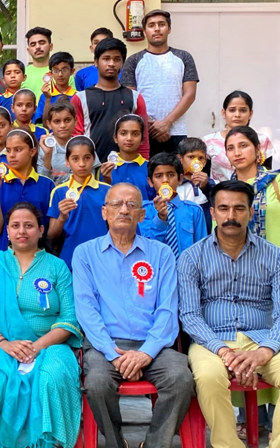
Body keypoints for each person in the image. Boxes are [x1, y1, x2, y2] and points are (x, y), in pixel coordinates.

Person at [179, 180, 280, 448]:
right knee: (208, 377)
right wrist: (222, 350)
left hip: (262, 339)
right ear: (213, 212)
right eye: (224, 208)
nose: (231, 216)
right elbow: (190, 315)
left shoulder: (275, 257)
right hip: (211, 342)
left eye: (239, 208)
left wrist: (265, 351)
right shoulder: (191, 258)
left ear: (250, 212)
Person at [72, 183, 194, 448]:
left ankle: (154, 444)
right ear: (104, 212)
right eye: (116, 204)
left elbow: (167, 309)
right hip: (105, 345)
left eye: (131, 205)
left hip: (154, 346)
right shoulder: (85, 254)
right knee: (97, 383)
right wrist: (113, 354)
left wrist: (146, 353)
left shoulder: (161, 253)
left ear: (142, 214)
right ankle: (116, 443)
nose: (124, 210)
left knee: (181, 378)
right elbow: (86, 309)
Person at [0, 202, 82, 447]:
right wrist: (4, 344)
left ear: (41, 230)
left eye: (29, 225)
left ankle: (47, 443)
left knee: (50, 378)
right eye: (15, 226)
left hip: (51, 346)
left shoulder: (57, 266)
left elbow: (69, 318)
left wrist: (37, 346)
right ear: (7, 231)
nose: (22, 231)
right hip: (5, 346)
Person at [226, 126, 280, 358]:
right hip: (242, 278)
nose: (237, 152)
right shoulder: (226, 191)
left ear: (257, 149)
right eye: (231, 148)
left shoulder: (279, 181)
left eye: (243, 146)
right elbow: (219, 235)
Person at [122, 10, 198, 157]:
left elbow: (190, 94)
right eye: (151, 25)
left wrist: (167, 123)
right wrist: (149, 124)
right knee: (146, 171)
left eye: (161, 24)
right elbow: (129, 97)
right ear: (145, 32)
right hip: (143, 132)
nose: (157, 29)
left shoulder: (184, 57)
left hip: (175, 131)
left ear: (169, 29)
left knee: (176, 170)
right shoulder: (133, 60)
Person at [72, 37, 150, 161]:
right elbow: (76, 137)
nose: (112, 63)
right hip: (91, 166)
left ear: (122, 63)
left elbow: (143, 139)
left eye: (117, 59)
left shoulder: (135, 97)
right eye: (106, 59)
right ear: (96, 62)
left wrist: (144, 165)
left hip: (127, 166)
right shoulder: (80, 98)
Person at [0, 129, 55, 251]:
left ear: (32, 152)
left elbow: (50, 229)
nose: (11, 155)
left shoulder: (47, 184)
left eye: (18, 150)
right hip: (6, 253)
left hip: (38, 254)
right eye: (8, 150)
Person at [47, 136, 110, 269]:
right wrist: (62, 217)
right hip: (70, 259)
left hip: (103, 258)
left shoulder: (107, 190)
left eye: (87, 158)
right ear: (67, 161)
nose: (81, 164)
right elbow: (51, 235)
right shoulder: (59, 192)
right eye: (75, 159)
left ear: (94, 159)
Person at [138, 152, 207, 258]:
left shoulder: (194, 210)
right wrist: (160, 219)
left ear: (180, 179)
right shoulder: (144, 210)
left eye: (171, 175)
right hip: (156, 267)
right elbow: (146, 247)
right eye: (159, 176)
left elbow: (201, 249)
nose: (165, 180)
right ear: (150, 181)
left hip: (186, 268)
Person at [203, 90, 276, 183]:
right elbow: (204, 178)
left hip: (255, 190)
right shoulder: (209, 141)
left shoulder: (262, 140)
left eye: (243, 110)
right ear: (223, 113)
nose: (237, 115)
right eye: (232, 110)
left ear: (250, 113)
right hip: (219, 190)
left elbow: (267, 175)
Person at [37, 99, 101, 185]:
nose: (63, 125)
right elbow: (42, 184)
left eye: (67, 120)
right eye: (57, 121)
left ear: (75, 121)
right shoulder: (43, 148)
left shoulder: (84, 145)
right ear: (49, 124)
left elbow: (93, 178)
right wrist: (48, 155)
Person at [99, 113, 154, 202]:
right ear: (115, 138)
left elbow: (154, 200)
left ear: (142, 140)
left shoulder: (149, 168)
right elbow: (101, 200)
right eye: (123, 133)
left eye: (135, 134)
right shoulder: (106, 169)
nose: (129, 138)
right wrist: (106, 180)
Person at [176, 137, 215, 233]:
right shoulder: (176, 185)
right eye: (191, 157)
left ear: (205, 162)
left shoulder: (212, 183)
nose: (196, 162)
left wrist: (206, 187)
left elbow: (216, 202)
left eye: (201, 158)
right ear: (180, 159)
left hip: (206, 233)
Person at [22, 27, 76, 95]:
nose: (37, 47)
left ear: (51, 46)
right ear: (28, 50)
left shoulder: (63, 72)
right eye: (33, 44)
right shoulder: (21, 74)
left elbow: (72, 98)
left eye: (42, 43)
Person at [35, 52, 77, 123]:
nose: (60, 74)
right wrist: (48, 99)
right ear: (51, 73)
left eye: (64, 70)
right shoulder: (44, 96)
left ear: (72, 71)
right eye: (56, 70)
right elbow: (45, 124)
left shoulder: (78, 96)